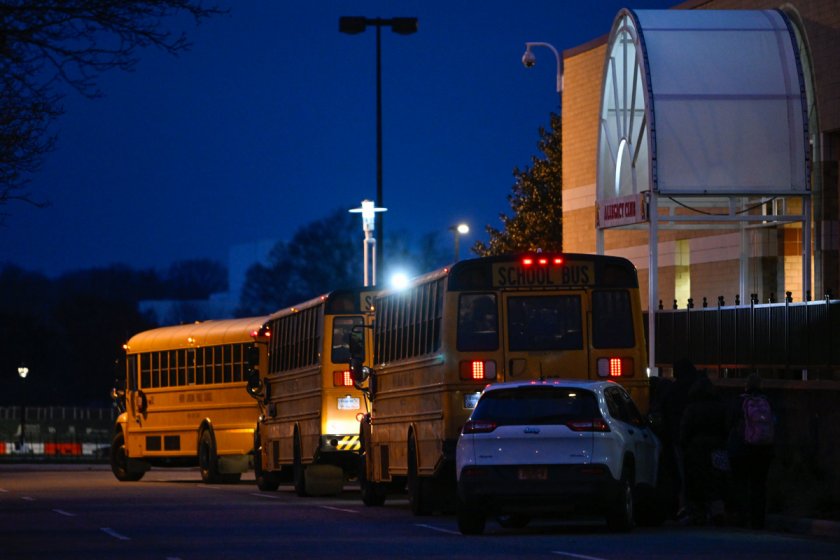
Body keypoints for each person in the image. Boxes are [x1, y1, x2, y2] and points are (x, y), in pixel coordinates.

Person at [679, 373, 728, 525]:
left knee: (696, 481)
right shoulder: (720, 407)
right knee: (716, 481)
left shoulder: (692, 408)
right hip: (716, 447)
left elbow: (685, 430)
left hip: (696, 449)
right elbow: (726, 428)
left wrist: (684, 444)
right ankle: (717, 511)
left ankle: (697, 513)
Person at [727, 373, 775, 529]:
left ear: (746, 385)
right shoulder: (767, 402)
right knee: (759, 485)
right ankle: (758, 520)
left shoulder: (739, 401)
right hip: (764, 449)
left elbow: (730, 422)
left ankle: (741, 518)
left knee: (741, 484)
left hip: (743, 449)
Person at [659, 358, 699, 519]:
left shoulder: (673, 390)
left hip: (679, 437)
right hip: (701, 438)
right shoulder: (699, 388)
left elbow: (664, 412)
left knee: (682, 473)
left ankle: (684, 506)